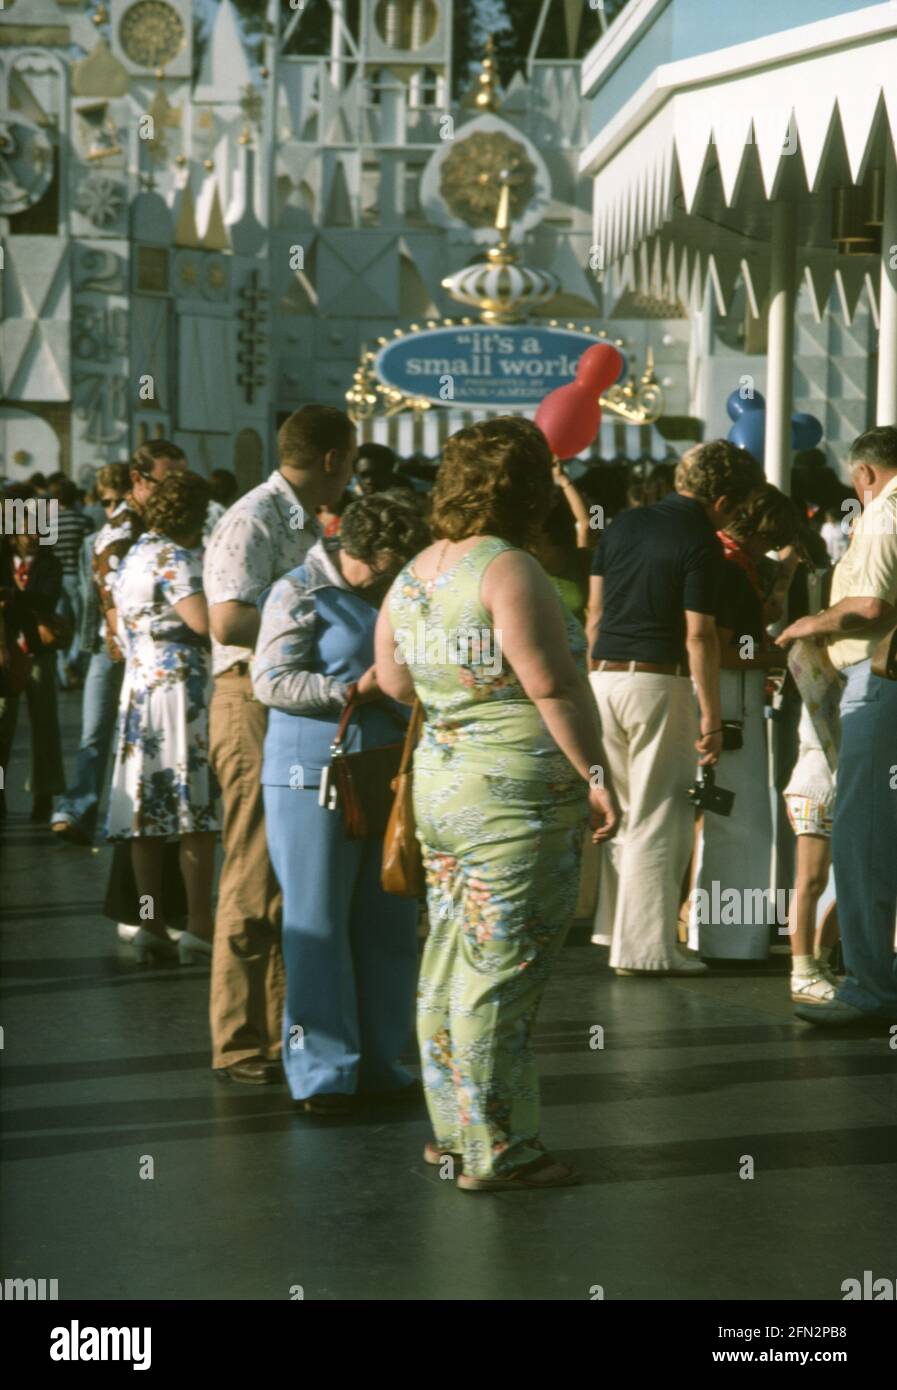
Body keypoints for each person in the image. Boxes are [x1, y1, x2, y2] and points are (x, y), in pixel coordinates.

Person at [375, 416, 616, 1192]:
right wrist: (596, 774)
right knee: (501, 969)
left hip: (440, 786)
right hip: (514, 791)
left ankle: (453, 1135)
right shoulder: (507, 569)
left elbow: (393, 684)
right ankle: (499, 1148)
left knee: (448, 961)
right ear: (528, 488)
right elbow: (549, 683)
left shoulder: (414, 572)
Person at [253, 495, 430, 1112]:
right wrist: (350, 689)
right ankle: (323, 1072)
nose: (396, 572)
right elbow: (269, 680)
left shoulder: (397, 596)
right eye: (391, 560)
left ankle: (383, 1061)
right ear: (368, 551)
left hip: (382, 771)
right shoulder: (297, 591)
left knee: (389, 920)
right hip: (311, 775)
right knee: (317, 923)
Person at [203, 405, 357, 1085]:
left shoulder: (299, 519)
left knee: (284, 875)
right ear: (330, 459)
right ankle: (239, 1039)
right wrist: (305, 612)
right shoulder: (254, 518)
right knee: (252, 871)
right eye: (349, 460)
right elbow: (228, 616)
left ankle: (276, 1035)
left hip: (283, 700)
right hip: (249, 696)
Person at [585, 439, 764, 975]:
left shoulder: (620, 525)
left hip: (604, 679)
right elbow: (700, 636)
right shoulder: (701, 541)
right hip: (659, 682)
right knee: (660, 815)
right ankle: (646, 951)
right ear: (725, 498)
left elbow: (595, 612)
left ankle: (616, 932)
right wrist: (710, 714)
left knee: (620, 814)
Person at [778, 425, 897, 1025]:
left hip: (880, 683)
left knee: (863, 840)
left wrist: (812, 623)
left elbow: (872, 606)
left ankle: (871, 987)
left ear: (865, 475)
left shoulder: (885, 514)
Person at [105, 470, 218, 965]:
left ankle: (149, 921)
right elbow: (205, 622)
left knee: (146, 815)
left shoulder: (136, 554)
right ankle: (198, 924)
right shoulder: (176, 559)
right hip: (179, 689)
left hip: (141, 686)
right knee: (194, 814)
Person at [687, 484, 799, 960]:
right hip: (733, 696)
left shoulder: (723, 560)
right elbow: (725, 646)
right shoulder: (733, 570)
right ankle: (732, 936)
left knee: (729, 815)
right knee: (742, 817)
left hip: (726, 693)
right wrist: (778, 654)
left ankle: (722, 932)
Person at [51, 463, 131, 846]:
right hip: (103, 645)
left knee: (134, 734)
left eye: (119, 500)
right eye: (106, 501)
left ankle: (128, 816)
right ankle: (78, 807)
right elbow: (88, 599)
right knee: (94, 730)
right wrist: (78, 651)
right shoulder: (92, 541)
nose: (112, 509)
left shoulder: (144, 537)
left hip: (138, 649)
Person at [0, 493, 65, 823]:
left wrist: (12, 598)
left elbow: (47, 598)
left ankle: (44, 794)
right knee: (2, 726)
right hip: (6, 652)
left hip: (39, 652)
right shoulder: (2, 560)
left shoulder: (50, 563)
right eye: (27, 528)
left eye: (40, 528)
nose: (34, 535)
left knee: (45, 727)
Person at [782, 701, 841, 1004]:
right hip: (816, 788)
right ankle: (803, 971)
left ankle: (820, 962)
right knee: (811, 880)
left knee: (856, 882)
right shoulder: (823, 681)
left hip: (836, 788)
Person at [48, 477, 94, 688]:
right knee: (80, 624)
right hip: (78, 578)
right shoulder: (83, 521)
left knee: (59, 623)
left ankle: (63, 670)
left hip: (55, 578)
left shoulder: (48, 523)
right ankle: (75, 661)